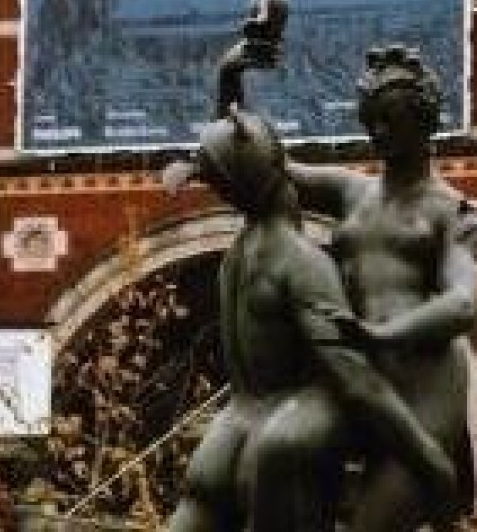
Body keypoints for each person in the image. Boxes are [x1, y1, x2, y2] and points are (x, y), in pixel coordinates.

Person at [161, 101, 458, 532]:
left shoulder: (237, 257)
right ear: (278, 165)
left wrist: (230, 76)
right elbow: (355, 379)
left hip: (225, 437)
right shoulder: (299, 261)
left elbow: (232, 152)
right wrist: (429, 459)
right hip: (279, 439)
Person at [260, 43, 477, 532]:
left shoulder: (452, 212)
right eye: (371, 119)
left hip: (423, 397)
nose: (377, 131)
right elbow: (263, 166)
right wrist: (230, 78)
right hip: (356, 386)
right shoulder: (352, 193)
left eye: (390, 119)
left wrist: (382, 335)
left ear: (423, 122)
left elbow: (463, 303)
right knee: (275, 449)